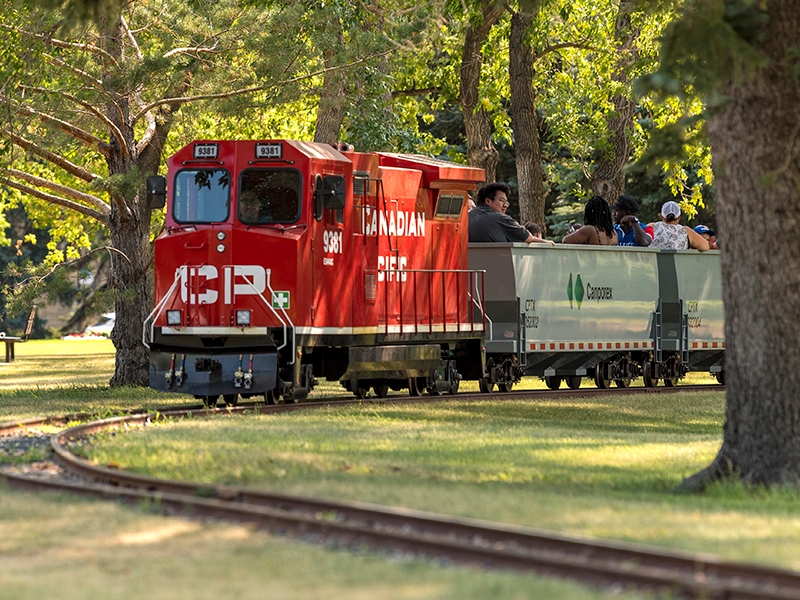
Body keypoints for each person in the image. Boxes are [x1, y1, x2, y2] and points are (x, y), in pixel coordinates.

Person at [468, 183, 549, 244]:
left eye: (506, 202)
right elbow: (528, 238)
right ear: (488, 201)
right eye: (501, 200)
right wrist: (545, 242)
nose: (505, 205)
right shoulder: (500, 218)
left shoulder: (466, 217)